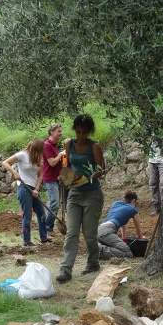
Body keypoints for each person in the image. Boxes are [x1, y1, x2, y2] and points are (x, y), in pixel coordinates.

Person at [56, 114, 105, 282]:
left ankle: (93, 263)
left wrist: (87, 178)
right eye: (78, 132)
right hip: (74, 194)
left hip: (92, 194)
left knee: (90, 234)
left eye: (84, 132)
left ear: (89, 132)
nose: (81, 135)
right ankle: (65, 270)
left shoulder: (95, 147)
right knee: (71, 233)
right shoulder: (69, 144)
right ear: (75, 131)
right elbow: (68, 165)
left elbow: (101, 170)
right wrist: (65, 176)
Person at [2, 138, 50, 247]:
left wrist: (37, 189)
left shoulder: (39, 158)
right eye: (41, 150)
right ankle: (26, 241)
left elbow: (40, 175)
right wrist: (14, 172)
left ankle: (44, 237)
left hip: (34, 188)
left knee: (42, 214)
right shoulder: (22, 155)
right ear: (36, 148)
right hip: (24, 188)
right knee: (27, 215)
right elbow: (5, 163)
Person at [97, 190, 144, 259]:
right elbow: (138, 230)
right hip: (107, 231)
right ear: (134, 200)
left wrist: (124, 240)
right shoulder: (133, 210)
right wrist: (141, 237)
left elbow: (123, 226)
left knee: (116, 247)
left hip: (99, 229)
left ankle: (97, 247)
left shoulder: (116, 203)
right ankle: (97, 249)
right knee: (128, 253)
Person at [42, 123, 66, 237]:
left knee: (56, 204)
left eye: (61, 131)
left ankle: (49, 227)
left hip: (57, 178)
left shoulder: (54, 145)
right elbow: (51, 163)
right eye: (59, 131)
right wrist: (61, 154)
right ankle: (47, 228)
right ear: (52, 132)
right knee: (54, 204)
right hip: (50, 179)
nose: (61, 133)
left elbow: (56, 162)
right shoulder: (47, 145)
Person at [148, 140, 163, 216]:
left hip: (162, 160)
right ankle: (156, 206)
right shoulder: (150, 129)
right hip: (152, 159)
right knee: (152, 183)